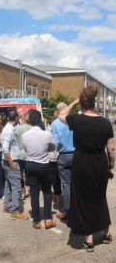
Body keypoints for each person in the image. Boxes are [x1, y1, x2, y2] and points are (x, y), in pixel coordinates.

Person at [59, 85, 115, 252]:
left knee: (83, 199)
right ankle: (105, 233)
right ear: (94, 103)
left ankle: (89, 239)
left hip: (81, 162)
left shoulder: (76, 120)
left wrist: (74, 102)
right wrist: (111, 166)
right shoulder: (105, 123)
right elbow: (111, 149)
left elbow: (62, 115)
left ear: (82, 104)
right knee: (99, 198)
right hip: (99, 162)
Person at [22, 109, 56, 229]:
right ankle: (47, 219)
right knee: (47, 192)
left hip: (30, 165)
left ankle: (36, 220)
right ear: (40, 120)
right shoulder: (46, 134)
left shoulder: (25, 135)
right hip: (43, 165)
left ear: (30, 121)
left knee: (34, 193)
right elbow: (53, 147)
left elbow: (25, 149)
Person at [1, 110, 29, 220]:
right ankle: (15, 211)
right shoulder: (9, 130)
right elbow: (5, 147)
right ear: (17, 118)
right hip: (11, 161)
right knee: (16, 186)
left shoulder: (8, 128)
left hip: (7, 160)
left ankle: (8, 206)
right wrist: (11, 162)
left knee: (8, 185)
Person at [51, 103, 75, 220]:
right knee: (78, 184)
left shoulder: (55, 124)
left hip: (64, 156)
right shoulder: (74, 121)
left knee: (66, 185)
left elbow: (55, 143)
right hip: (77, 155)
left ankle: (68, 211)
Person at [15, 113, 31, 199]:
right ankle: (28, 190)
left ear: (23, 119)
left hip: (19, 153)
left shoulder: (17, 128)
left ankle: (22, 191)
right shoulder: (31, 128)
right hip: (29, 154)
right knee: (28, 173)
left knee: (20, 173)